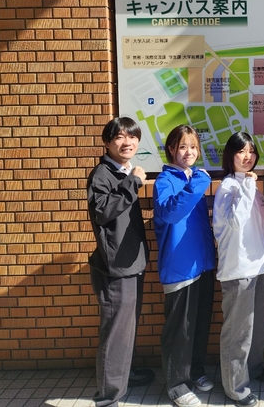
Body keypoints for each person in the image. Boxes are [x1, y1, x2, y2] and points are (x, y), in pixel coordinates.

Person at [87, 117, 155, 407]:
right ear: (107, 142)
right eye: (119, 137)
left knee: (125, 328)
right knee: (116, 332)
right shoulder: (102, 174)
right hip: (115, 267)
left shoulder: (122, 171)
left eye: (132, 137)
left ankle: (122, 377)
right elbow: (102, 212)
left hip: (130, 263)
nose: (127, 142)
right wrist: (134, 182)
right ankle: (108, 397)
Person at [213, 132, 264, 407]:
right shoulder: (229, 186)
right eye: (241, 151)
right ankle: (236, 387)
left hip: (259, 267)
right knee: (238, 333)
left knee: (257, 327)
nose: (247, 156)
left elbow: (263, 226)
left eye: (251, 151)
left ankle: (253, 368)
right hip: (238, 270)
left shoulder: (252, 187)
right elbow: (236, 222)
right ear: (231, 155)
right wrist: (249, 186)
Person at [153, 125, 216, 407]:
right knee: (180, 330)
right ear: (171, 149)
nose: (188, 152)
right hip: (179, 268)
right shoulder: (165, 181)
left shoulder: (193, 177)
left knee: (200, 325)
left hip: (203, 264)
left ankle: (195, 371)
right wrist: (197, 184)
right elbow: (170, 213)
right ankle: (176, 385)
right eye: (182, 146)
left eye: (193, 147)